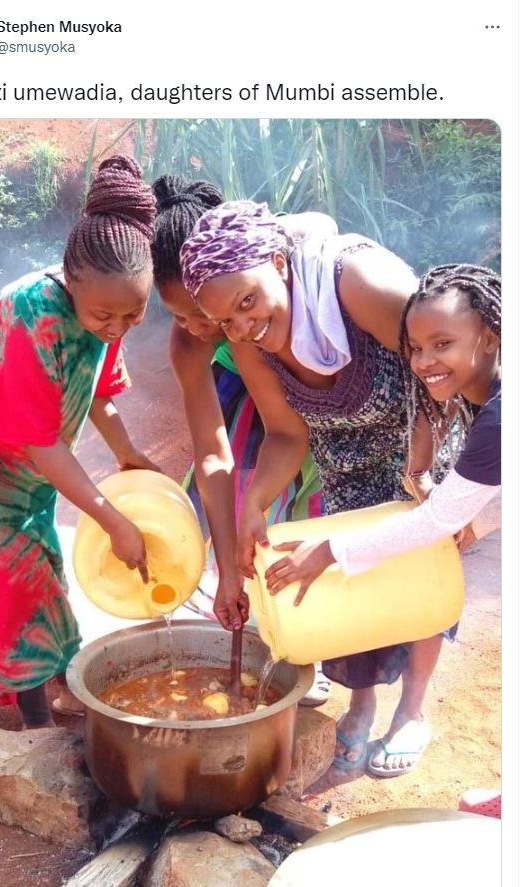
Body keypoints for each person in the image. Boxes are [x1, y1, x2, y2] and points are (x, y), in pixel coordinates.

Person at [180, 200, 443, 776]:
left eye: (247, 302)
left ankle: (413, 711)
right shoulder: (249, 341)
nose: (243, 327)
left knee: (420, 577)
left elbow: (440, 368)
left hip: (420, 441)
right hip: (345, 464)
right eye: (227, 321)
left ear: (276, 260)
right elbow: (285, 433)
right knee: (353, 584)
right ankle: (363, 701)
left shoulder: (359, 283)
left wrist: (422, 470)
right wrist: (254, 503)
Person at [0, 155, 159, 729]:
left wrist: (128, 454)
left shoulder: (106, 306)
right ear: (72, 285)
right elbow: (42, 445)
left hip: (21, 465)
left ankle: (56, 679)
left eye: (134, 315)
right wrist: (113, 520)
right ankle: (36, 725)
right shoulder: (31, 315)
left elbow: (103, 394)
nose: (116, 328)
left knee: (40, 566)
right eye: (105, 316)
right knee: (7, 587)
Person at [263, 263, 501, 775]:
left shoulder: (504, 412)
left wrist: (329, 550)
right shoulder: (482, 399)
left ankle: (413, 719)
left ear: (489, 335)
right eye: (415, 348)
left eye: (443, 343)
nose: (424, 361)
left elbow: (436, 522)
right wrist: (464, 514)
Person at [152, 175, 335, 704]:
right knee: (238, 510)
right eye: (179, 314)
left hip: (307, 404)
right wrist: (228, 565)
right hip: (252, 403)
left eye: (200, 310)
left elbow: (290, 430)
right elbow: (213, 454)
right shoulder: (191, 341)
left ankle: (306, 648)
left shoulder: (257, 299)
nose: (197, 325)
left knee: (298, 520)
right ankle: (253, 615)